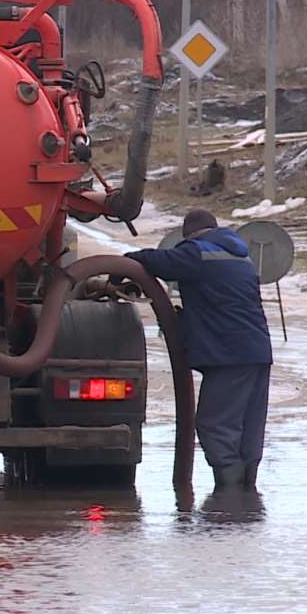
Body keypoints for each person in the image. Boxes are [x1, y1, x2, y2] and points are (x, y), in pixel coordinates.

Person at [122, 209, 273, 491]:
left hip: (230, 355)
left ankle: (228, 492)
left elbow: (159, 261)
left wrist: (127, 263)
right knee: (248, 424)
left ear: (190, 235)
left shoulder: (198, 253)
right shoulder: (241, 256)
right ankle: (246, 493)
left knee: (214, 423)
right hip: (257, 351)